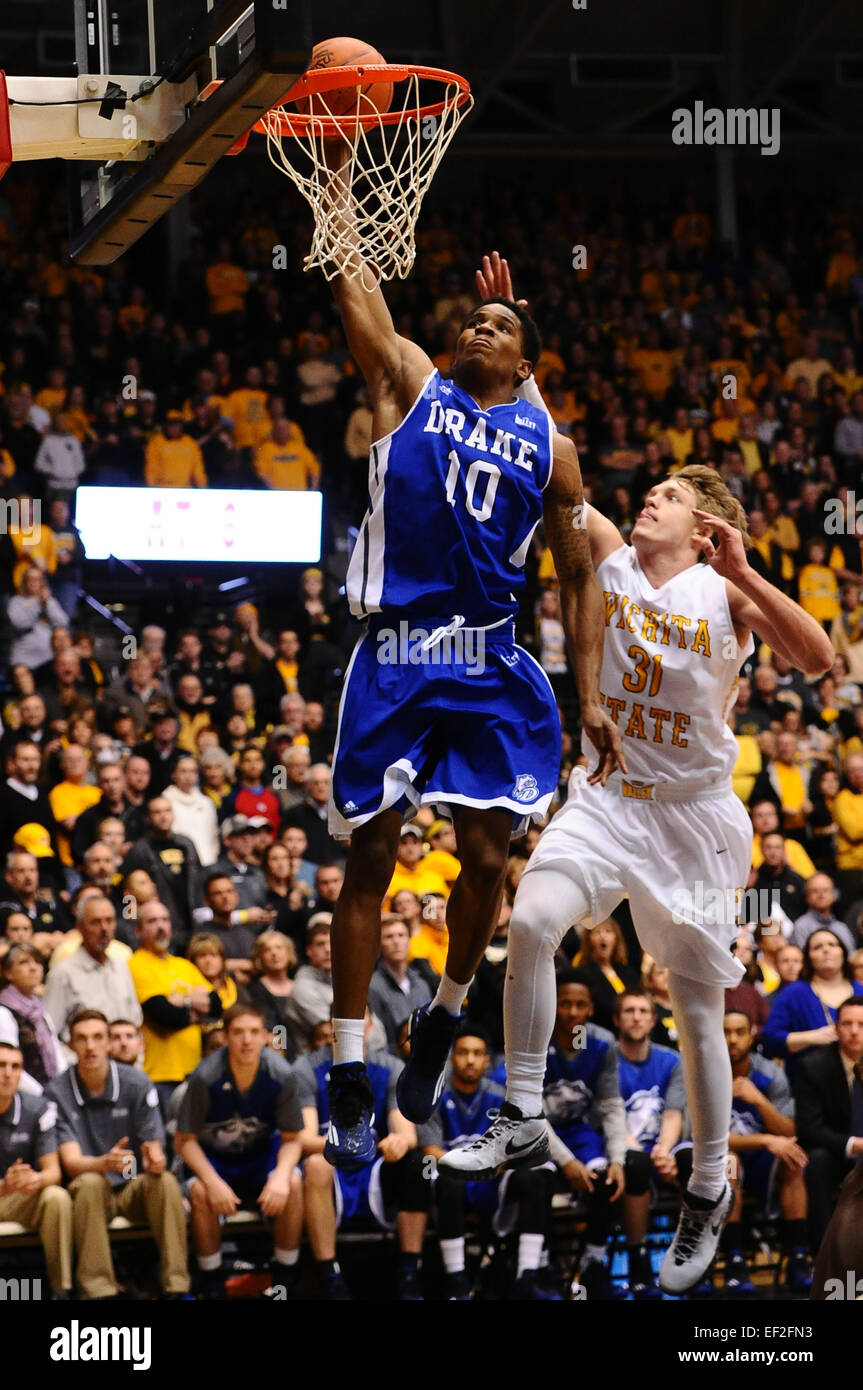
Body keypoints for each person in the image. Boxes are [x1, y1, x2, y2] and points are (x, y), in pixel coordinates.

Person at [441, 312, 834, 1296]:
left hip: (694, 819)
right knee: (528, 921)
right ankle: (522, 1113)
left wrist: (746, 569)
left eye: (662, 493)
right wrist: (516, 358)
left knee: (696, 1012)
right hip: (608, 798)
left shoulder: (723, 590)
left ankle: (706, 1180)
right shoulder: (608, 556)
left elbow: (819, 659)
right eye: (649, 490)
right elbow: (552, 453)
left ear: (701, 525)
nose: (642, 498)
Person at [317, 217, 620, 1169]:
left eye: (498, 325)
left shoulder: (551, 447)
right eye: (471, 321)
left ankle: (446, 1017)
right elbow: (358, 293)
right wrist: (334, 183)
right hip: (399, 656)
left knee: (488, 863)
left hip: (491, 662)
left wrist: (594, 691)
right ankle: (350, 1063)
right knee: (370, 858)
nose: (476, 330)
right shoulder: (410, 382)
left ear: (526, 358)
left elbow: (577, 573)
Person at [47, 1008, 190, 1299]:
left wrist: (156, 1160)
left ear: (109, 1042)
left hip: (133, 1189)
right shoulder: (56, 1092)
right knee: (90, 1183)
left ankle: (177, 1287)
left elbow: (154, 1149)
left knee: (164, 1184)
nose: (90, 1046)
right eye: (82, 1039)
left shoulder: (137, 1083)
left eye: (98, 1037)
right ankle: (99, 1291)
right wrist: (104, 1163)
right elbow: (72, 1163)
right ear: (71, 1044)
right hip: (91, 1193)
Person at [295, 1011, 431, 1300]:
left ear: (370, 1026)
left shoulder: (391, 1067)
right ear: (333, 1026)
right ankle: (330, 1274)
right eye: (346, 1019)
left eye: (361, 1020)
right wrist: (347, 1145)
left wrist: (397, 1141)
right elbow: (305, 1139)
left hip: (374, 1163)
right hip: (330, 1158)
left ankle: (410, 1271)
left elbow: (407, 1135)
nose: (354, 1027)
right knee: (316, 1164)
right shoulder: (306, 1068)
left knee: (416, 1164)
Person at [174, 1003, 304, 1299]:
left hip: (259, 1160)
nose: (246, 1040)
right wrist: (213, 1182)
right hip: (216, 1160)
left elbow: (293, 1138)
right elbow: (184, 1140)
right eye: (238, 1033)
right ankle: (213, 1281)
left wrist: (281, 1176)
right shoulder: (204, 1077)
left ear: (265, 1036)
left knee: (294, 1184)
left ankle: (284, 1279)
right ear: (225, 1037)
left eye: (254, 1032)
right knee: (200, 1192)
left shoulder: (281, 1073)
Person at [418, 1022, 556, 1300]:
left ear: (487, 1060)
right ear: (452, 1057)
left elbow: (519, 1144)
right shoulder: (435, 1094)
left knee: (535, 1177)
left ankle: (526, 1276)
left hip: (494, 1178)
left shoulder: (502, 1096)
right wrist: (470, 1166)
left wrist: (495, 1165)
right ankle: (456, 1279)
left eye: (477, 1053)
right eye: (463, 1052)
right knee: (448, 1178)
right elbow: (430, 1149)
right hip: (454, 1181)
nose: (470, 1060)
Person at [723, 1010, 811, 1294]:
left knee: (793, 1158)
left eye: (739, 1032)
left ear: (752, 1036)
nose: (732, 1039)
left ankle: (798, 1257)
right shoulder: (705, 1074)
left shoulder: (771, 1074)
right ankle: (734, 1261)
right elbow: (708, 1140)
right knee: (728, 1163)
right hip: (725, 1157)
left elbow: (788, 1132)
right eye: (726, 1032)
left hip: (763, 1159)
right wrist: (764, 1140)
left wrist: (759, 1100)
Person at [612, 990, 685, 1299]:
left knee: (696, 1163)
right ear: (617, 1019)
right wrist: (644, 1153)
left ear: (654, 1020)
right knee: (636, 1165)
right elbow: (610, 1116)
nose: (637, 1016)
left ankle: (692, 1256)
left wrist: (664, 1151)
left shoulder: (672, 1060)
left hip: (659, 1147)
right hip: (618, 1146)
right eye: (629, 1011)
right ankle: (638, 1259)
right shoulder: (604, 1058)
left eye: (643, 1011)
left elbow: (672, 1113)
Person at [128, 898, 223, 1113]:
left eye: (164, 920)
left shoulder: (184, 965)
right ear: (138, 930)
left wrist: (182, 1001)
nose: (161, 927)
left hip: (194, 1071)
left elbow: (216, 1007)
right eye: (152, 921)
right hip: (157, 1075)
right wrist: (194, 1003)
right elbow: (166, 1016)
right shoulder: (136, 964)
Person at [0, 1040, 74, 1299]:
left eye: (15, 1066)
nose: (8, 1073)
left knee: (57, 1196)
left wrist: (34, 1178)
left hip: (19, 1196)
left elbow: (53, 1172)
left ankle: (61, 1290)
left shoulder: (37, 1108)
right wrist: (4, 1185)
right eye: (1, 1065)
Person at [794, 995, 863, 1249]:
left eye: (862, 1024)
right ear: (836, 1028)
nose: (855, 1032)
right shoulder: (813, 1067)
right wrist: (854, 1144)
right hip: (837, 1153)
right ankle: (824, 1251)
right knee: (817, 1160)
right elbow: (809, 1127)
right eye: (847, 1024)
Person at [761, 929, 863, 1080]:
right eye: (817, 947)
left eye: (832, 944)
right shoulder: (794, 992)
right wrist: (811, 1037)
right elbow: (769, 1040)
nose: (826, 950)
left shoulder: (860, 990)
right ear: (808, 957)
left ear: (843, 952)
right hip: (808, 1083)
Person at [42, 894, 141, 1040]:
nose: (104, 928)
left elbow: (135, 1021)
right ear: (79, 927)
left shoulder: (121, 967)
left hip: (124, 1060)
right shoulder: (63, 973)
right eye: (95, 922)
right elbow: (49, 1034)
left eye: (109, 921)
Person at [0, 942, 67, 1084]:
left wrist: (61, 1088)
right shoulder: (4, 1012)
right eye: (24, 963)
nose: (33, 968)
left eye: (37, 962)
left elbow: (57, 1052)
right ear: (8, 972)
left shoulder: (40, 1008)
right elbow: (8, 1065)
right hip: (21, 1092)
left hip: (51, 1088)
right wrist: (42, 1094)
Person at [368, 918, 435, 1053]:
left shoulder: (421, 984)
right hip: (393, 1061)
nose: (396, 942)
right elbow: (378, 1038)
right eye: (389, 937)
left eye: (401, 935)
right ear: (380, 944)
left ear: (409, 941)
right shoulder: (372, 986)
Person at [572, 916, 639, 1033]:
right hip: (599, 1036)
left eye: (608, 931)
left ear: (616, 938)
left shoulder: (628, 972)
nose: (603, 936)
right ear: (589, 939)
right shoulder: (583, 974)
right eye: (597, 932)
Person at [242, 931, 297, 1047]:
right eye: (267, 950)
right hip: (277, 1050)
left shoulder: (299, 986)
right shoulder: (256, 990)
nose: (274, 953)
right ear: (260, 957)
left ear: (288, 952)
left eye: (279, 947)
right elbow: (271, 1030)